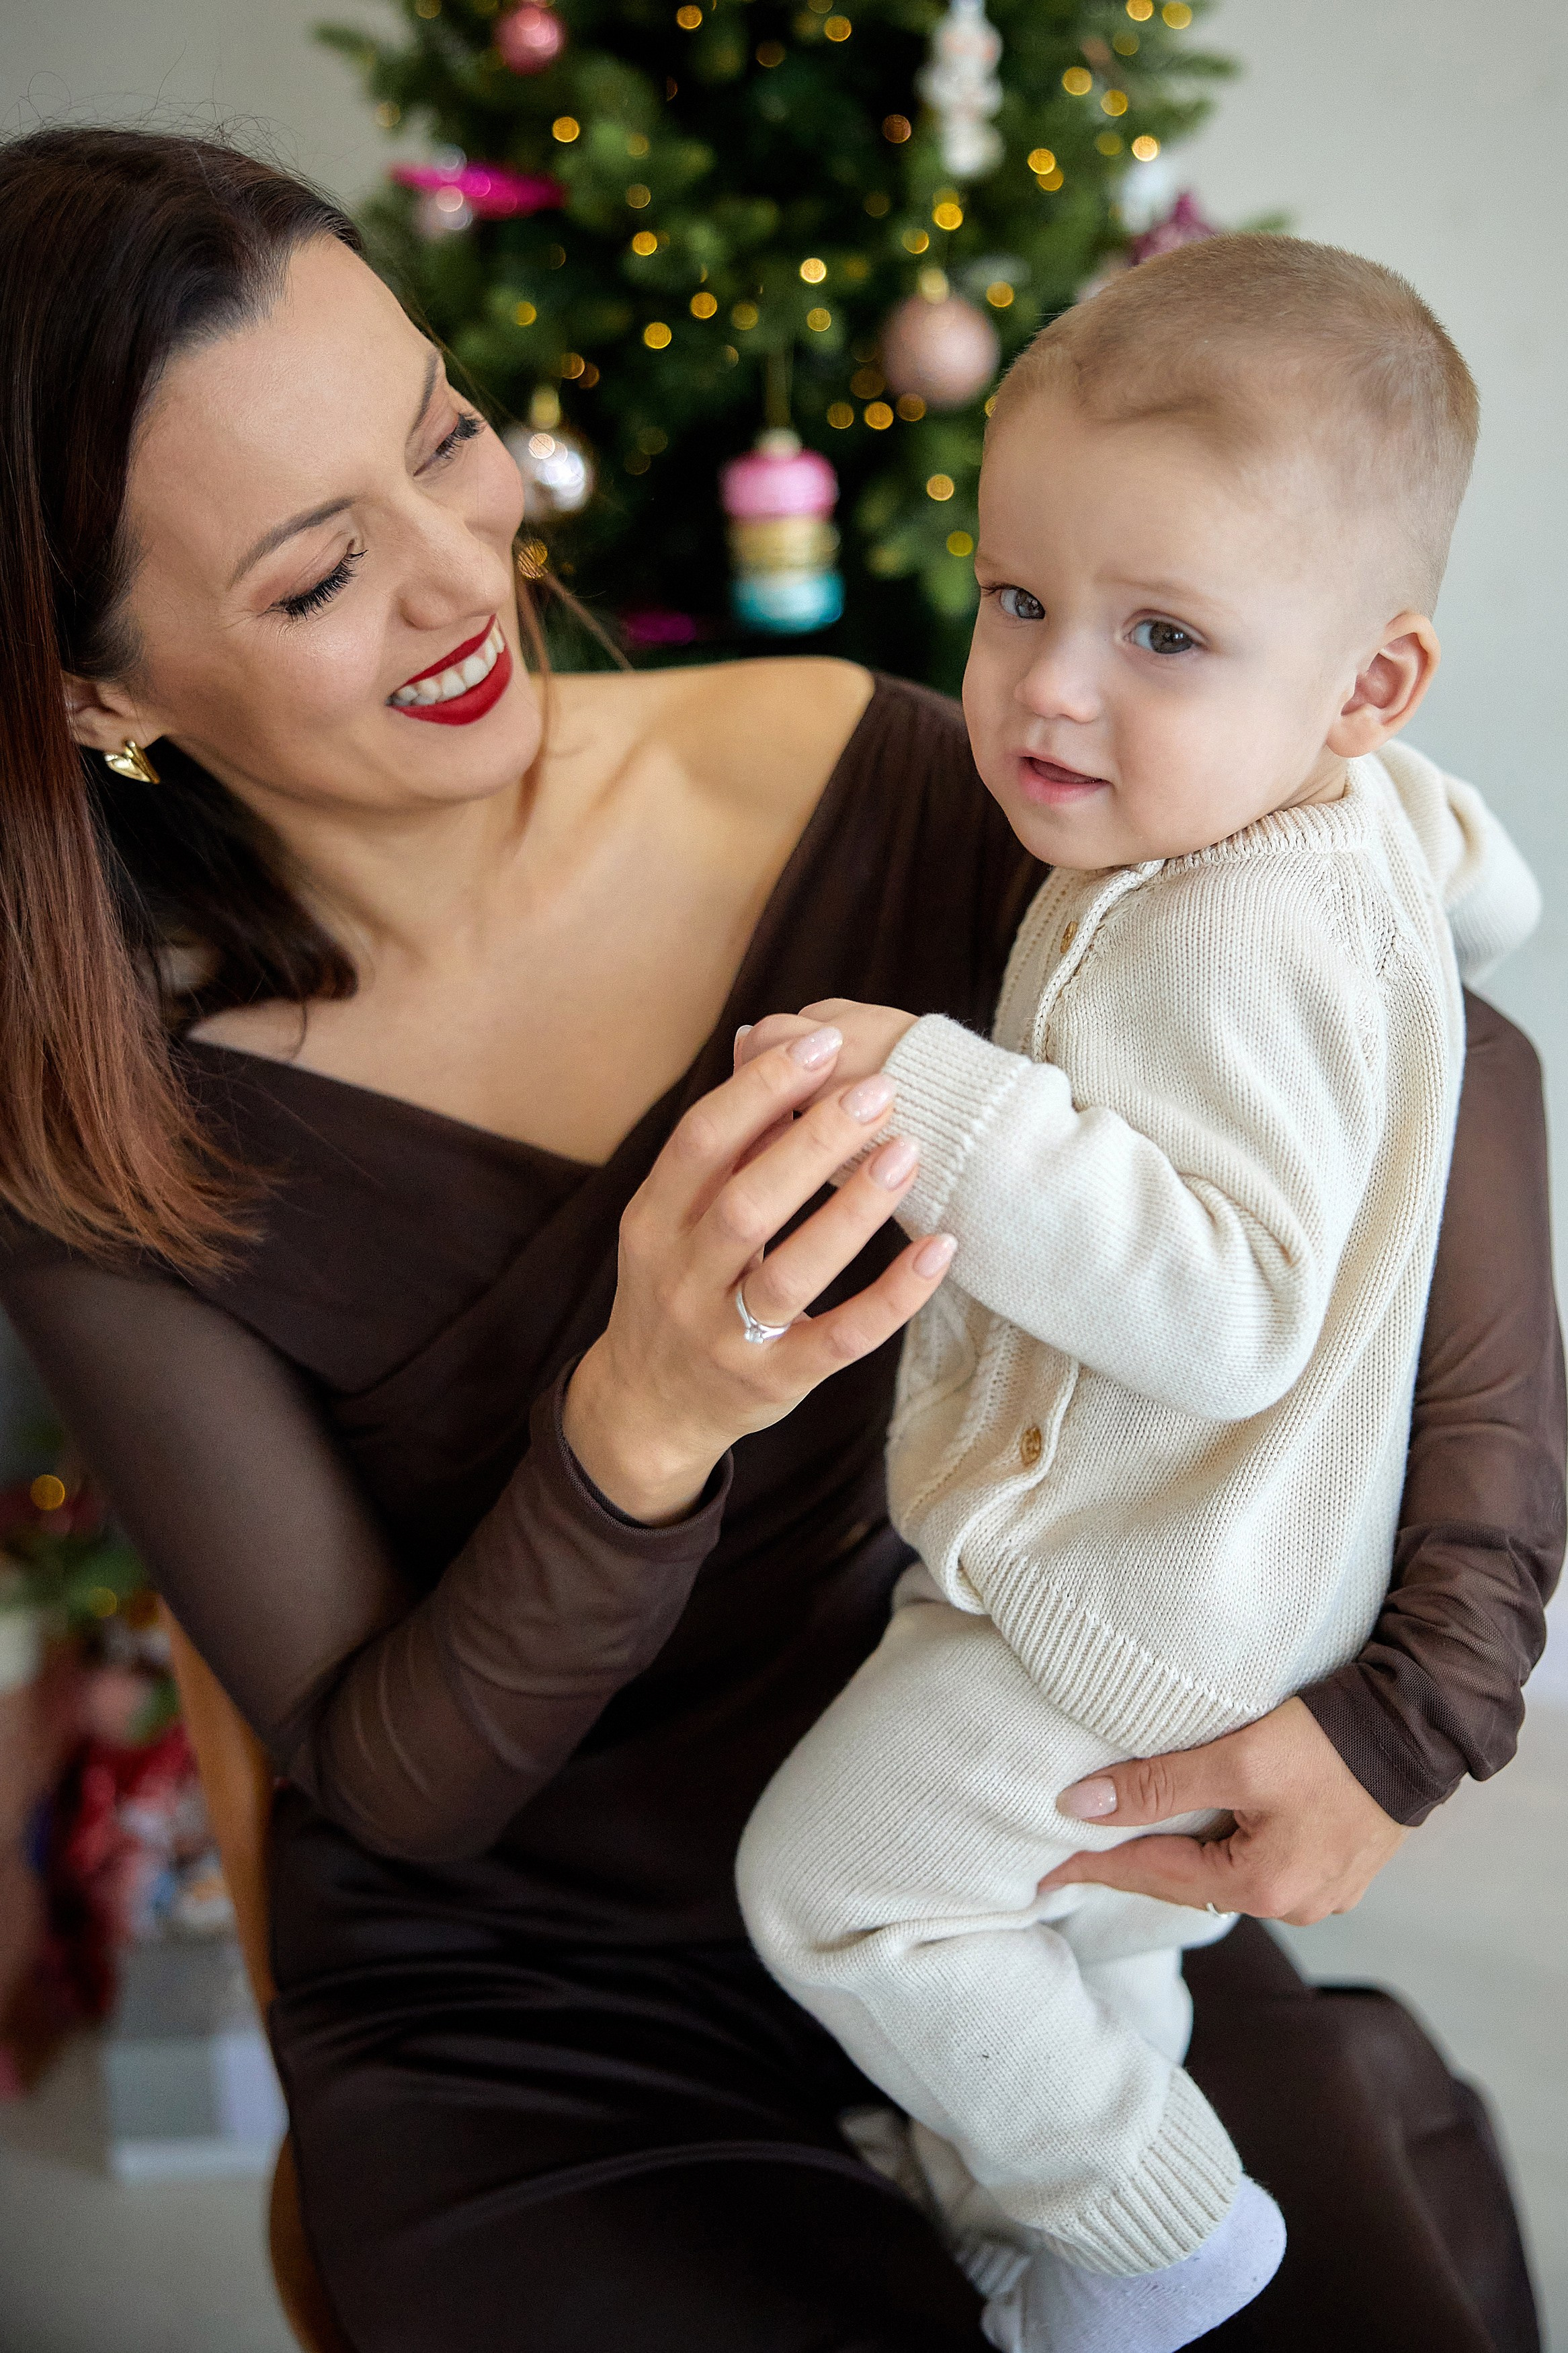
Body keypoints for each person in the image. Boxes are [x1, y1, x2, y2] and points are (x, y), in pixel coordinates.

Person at [0, 125, 1558, 2353]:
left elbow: (1442, 1062)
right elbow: (390, 1780)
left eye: (445, 436)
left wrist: (1426, 1698)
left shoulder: (861, 773)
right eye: (318, 573)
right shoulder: (110, 1136)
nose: (465, 572)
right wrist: (634, 1431)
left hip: (1011, 1831)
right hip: (539, 2017)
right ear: (100, 696)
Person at [733, 238, 1538, 2353]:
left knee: (837, 1883)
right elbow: (1468, 866)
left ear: (1368, 685)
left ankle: (1162, 2224)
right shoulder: (1345, 813)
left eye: (1163, 633)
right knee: (1077, 1934)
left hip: (1139, 1589)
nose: (1050, 687)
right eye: (1018, 600)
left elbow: (1239, 1302)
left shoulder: (1214, 932)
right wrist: (1475, 877)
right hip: (1212, 1549)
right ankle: (1050, 2191)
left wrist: (945, 1098)